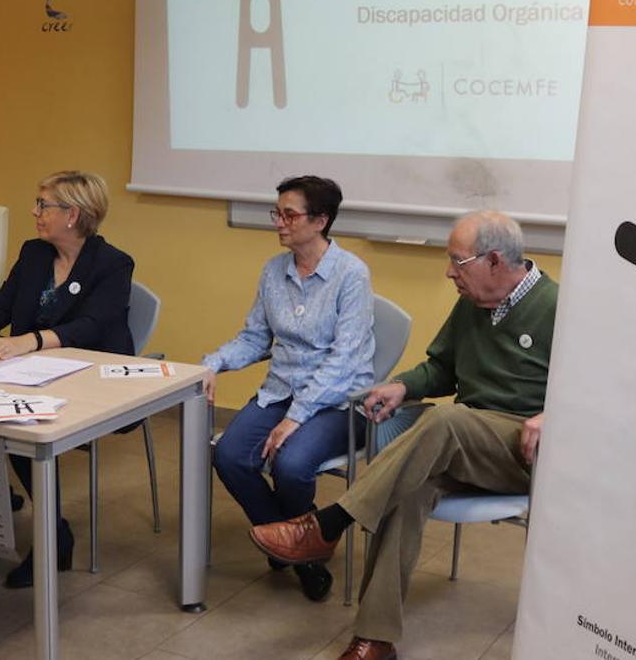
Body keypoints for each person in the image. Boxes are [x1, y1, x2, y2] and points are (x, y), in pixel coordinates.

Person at [249, 210, 557, 660]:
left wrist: (554, 415)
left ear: (494, 261)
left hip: (522, 452)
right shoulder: (471, 304)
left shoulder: (558, 308)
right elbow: (441, 368)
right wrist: (402, 386)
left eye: (458, 261)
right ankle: (374, 639)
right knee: (408, 493)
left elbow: (599, 390)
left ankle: (330, 522)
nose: (450, 271)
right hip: (461, 443)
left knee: (445, 420)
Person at [0, 170, 133, 588]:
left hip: (92, 376)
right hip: (28, 371)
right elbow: (1, 304)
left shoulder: (112, 264)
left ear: (72, 214)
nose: (34, 212)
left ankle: (53, 536)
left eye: (44, 205)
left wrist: (29, 342)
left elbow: (92, 326)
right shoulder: (35, 253)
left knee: (20, 427)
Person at [206, 176, 374, 602]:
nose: (279, 222)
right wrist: (211, 364)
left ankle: (294, 547)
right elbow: (255, 339)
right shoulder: (273, 270)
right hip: (281, 391)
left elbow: (345, 359)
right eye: (276, 213)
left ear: (320, 221)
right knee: (227, 455)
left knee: (291, 465)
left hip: (340, 401)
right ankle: (302, 548)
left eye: (290, 214)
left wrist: (296, 417)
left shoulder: (351, 274)